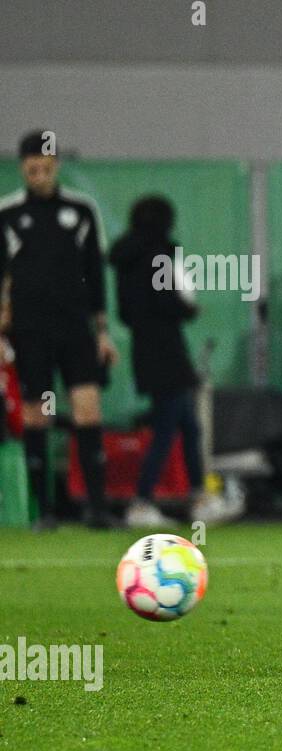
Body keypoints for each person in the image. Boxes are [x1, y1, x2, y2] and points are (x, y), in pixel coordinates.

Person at [0, 130, 118, 529]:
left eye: (47, 167)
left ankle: (98, 508)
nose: (40, 174)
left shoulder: (81, 211)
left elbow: (95, 275)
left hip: (76, 330)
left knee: (87, 408)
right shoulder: (8, 214)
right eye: (33, 168)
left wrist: (102, 331)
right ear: (23, 168)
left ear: (56, 166)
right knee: (38, 414)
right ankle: (44, 510)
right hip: (30, 332)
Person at [109, 195, 223, 528]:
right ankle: (142, 501)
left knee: (188, 426)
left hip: (146, 350)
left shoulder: (125, 260)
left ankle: (200, 496)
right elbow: (169, 301)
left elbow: (128, 312)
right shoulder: (159, 256)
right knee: (166, 429)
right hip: (168, 353)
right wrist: (188, 309)